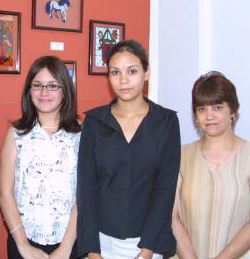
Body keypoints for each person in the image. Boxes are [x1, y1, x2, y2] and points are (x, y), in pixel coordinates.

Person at [77, 39, 180, 259]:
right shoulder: (94, 122)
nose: (123, 80)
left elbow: (165, 189)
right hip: (102, 242)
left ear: (146, 72)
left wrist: (147, 250)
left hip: (149, 243)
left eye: (132, 71)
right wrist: (93, 250)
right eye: (115, 72)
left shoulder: (166, 122)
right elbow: (86, 189)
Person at [171, 71, 250, 259]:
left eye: (217, 107)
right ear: (195, 115)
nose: (209, 116)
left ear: (232, 111)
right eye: (201, 109)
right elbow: (172, 218)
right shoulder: (180, 156)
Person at [0, 56, 81, 259]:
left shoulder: (82, 135)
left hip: (70, 243)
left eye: (53, 86)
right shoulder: (16, 134)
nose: (44, 92)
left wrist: (66, 247)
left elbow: (84, 196)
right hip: (24, 243)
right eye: (38, 85)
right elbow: (4, 193)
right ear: (29, 91)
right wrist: (23, 245)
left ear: (65, 91)